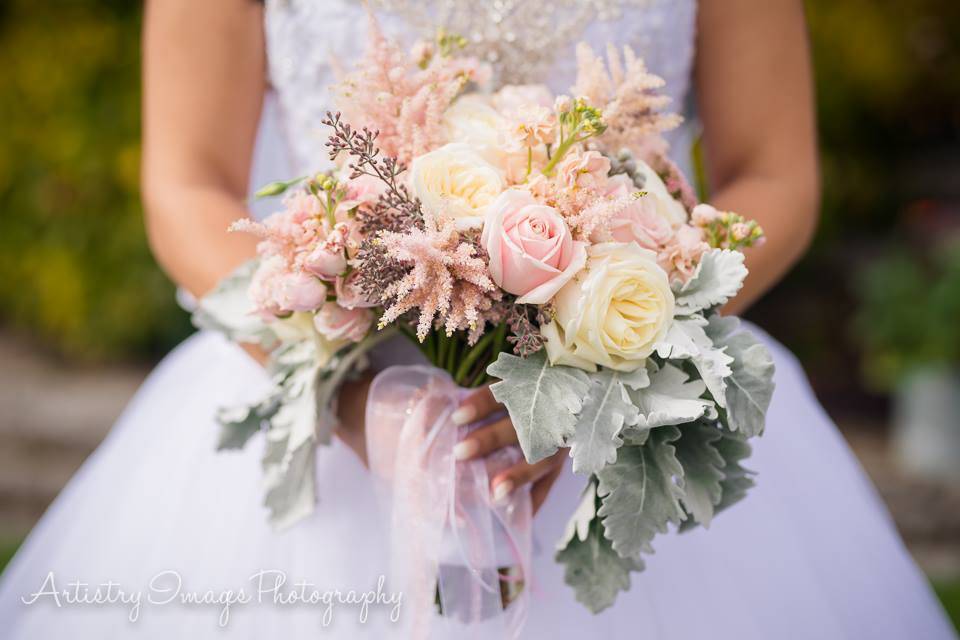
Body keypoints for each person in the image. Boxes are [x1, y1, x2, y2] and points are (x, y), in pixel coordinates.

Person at [0, 0, 955, 637]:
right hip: (328, 395)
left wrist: (613, 365)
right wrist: (348, 391)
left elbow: (774, 173)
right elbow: (184, 183)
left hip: (634, 387)